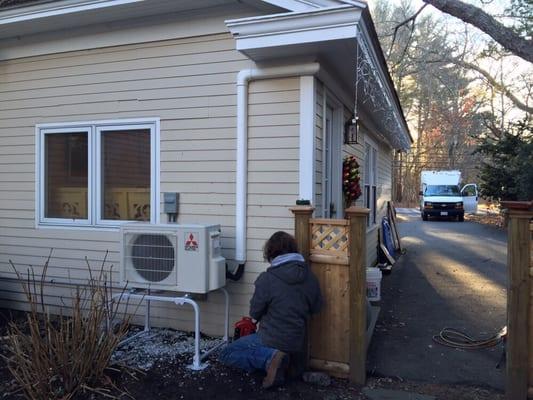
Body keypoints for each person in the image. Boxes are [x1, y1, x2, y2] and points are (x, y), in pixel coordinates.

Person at [219, 231, 323, 389]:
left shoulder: (267, 279)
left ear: (271, 253)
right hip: (297, 341)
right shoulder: (310, 277)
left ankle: (269, 358)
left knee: (226, 354)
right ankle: (284, 362)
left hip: (270, 338)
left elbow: (254, 313)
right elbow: (316, 307)